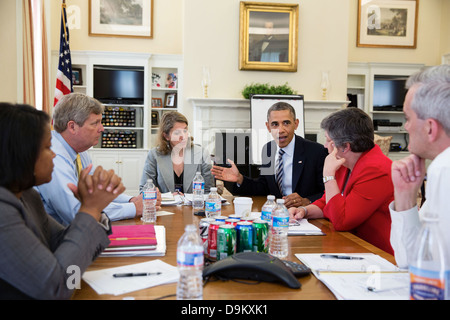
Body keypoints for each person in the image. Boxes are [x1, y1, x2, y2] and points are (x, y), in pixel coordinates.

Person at [0, 103, 124, 299]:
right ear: (22, 154)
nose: (54, 154)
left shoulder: (28, 196)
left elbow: (62, 244)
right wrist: (90, 210)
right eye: (48, 147)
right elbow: (60, 288)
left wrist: (92, 211)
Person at [36, 93, 159, 226]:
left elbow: (99, 190)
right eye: (95, 123)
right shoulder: (53, 157)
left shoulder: (78, 150)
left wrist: (132, 200)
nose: (102, 128)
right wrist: (134, 208)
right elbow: (78, 211)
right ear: (72, 127)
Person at [289, 108, 394, 254]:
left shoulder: (377, 170)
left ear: (345, 146)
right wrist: (304, 211)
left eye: (328, 140)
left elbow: (342, 221)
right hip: (352, 245)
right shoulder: (346, 161)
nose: (325, 146)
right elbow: (328, 201)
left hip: (378, 254)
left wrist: (328, 175)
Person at [389, 65, 450, 268]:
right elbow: (410, 259)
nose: (406, 127)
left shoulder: (444, 168)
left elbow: (430, 268)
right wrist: (405, 197)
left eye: (408, 118)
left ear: (430, 127)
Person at [211, 102, 327, 208]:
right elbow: (263, 187)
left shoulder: (317, 151)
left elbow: (327, 192)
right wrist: (240, 179)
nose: (280, 130)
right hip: (278, 213)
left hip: (308, 214)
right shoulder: (268, 149)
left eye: (286, 123)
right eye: (275, 124)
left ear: (296, 124)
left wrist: (307, 200)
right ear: (268, 127)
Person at [140, 111, 213, 194]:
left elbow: (209, 191)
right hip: (164, 207)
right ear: (166, 136)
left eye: (185, 131)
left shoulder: (202, 153)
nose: (183, 137)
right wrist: (169, 197)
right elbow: (144, 190)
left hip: (194, 206)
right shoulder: (154, 155)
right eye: (177, 133)